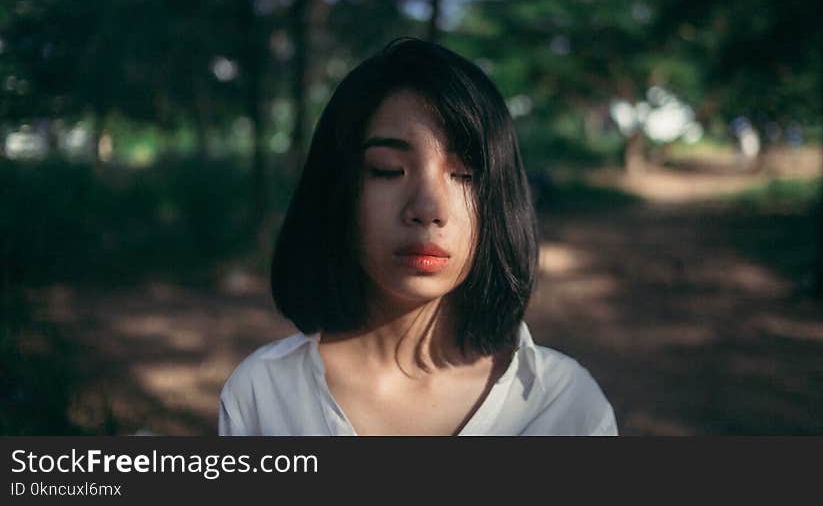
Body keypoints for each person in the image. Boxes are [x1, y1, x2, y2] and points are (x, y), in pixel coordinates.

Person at [218, 38, 617, 436]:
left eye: (465, 175)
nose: (428, 209)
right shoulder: (264, 395)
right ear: (336, 190)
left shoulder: (565, 406)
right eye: (388, 169)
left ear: (500, 200)